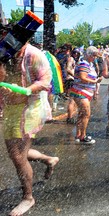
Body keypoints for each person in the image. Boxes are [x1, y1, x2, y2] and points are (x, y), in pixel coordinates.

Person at [0, 40, 59, 215]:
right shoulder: (5, 53)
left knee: (18, 156)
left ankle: (28, 198)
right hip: (11, 109)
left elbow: (45, 82)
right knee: (16, 154)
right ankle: (49, 159)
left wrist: (24, 90)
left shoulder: (34, 54)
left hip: (31, 109)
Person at [69, 46, 102, 144]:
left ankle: (78, 135)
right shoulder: (84, 63)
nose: (95, 58)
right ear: (89, 55)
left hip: (83, 91)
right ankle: (83, 136)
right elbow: (83, 77)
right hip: (80, 92)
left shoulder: (88, 63)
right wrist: (95, 81)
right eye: (94, 56)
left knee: (81, 114)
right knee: (86, 114)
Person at [66, 47, 81, 124]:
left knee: (74, 100)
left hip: (73, 80)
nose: (76, 54)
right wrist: (75, 75)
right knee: (72, 100)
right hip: (71, 80)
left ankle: (70, 117)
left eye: (77, 53)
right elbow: (68, 69)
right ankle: (70, 118)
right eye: (74, 52)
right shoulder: (71, 59)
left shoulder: (75, 60)